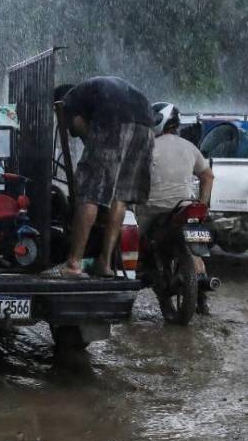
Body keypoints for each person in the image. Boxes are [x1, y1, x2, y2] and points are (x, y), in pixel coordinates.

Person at [42, 76, 154, 278]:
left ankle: (73, 264)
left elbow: (82, 130)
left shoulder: (67, 100)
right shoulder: (93, 91)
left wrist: (95, 157)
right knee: (120, 195)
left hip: (114, 120)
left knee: (89, 192)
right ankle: (104, 262)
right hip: (146, 124)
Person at [137, 102, 215, 313]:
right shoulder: (190, 146)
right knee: (196, 246)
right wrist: (202, 204)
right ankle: (203, 298)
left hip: (153, 209)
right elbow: (207, 176)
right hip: (186, 209)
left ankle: (136, 275)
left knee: (134, 243)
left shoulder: (147, 147)